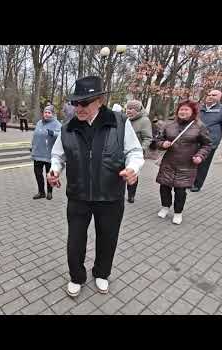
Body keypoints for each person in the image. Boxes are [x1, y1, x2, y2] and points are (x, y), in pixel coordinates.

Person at [47, 75, 144, 297]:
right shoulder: (67, 128)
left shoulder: (120, 122)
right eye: (75, 103)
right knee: (75, 242)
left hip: (110, 196)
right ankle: (77, 277)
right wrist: (54, 171)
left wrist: (133, 168)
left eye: (84, 103)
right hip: (78, 196)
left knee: (108, 239)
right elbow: (57, 156)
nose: (78, 108)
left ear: (99, 101)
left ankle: (101, 273)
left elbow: (134, 152)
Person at [156, 100, 212, 225]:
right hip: (169, 162)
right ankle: (165, 207)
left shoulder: (199, 126)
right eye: (181, 109)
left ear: (193, 112)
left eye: (186, 109)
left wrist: (200, 156)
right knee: (164, 187)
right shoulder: (169, 124)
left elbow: (207, 144)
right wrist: (162, 144)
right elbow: (158, 139)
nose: (183, 112)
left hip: (187, 164)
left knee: (180, 191)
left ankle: (178, 213)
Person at [191, 89, 222, 192]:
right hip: (195, 140)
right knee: (192, 161)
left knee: (203, 164)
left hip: (210, 142)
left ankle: (197, 184)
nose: (210, 96)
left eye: (214, 95)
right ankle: (189, 181)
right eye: (209, 94)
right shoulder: (199, 108)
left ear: (219, 97)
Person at [31, 106, 62, 200]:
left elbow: (61, 135)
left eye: (49, 113)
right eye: (45, 112)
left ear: (52, 114)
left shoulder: (57, 124)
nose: (47, 114)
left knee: (49, 175)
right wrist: (32, 147)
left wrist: (53, 133)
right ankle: (41, 192)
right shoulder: (39, 123)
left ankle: (49, 192)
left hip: (50, 154)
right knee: (38, 174)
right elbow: (35, 136)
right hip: (38, 153)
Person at [125, 100, 153, 203]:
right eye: (128, 108)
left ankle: (131, 194)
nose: (129, 111)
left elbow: (148, 138)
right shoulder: (125, 119)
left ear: (138, 110)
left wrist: (141, 150)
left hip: (135, 152)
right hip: (124, 151)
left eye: (132, 109)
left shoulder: (144, 120)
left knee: (133, 172)